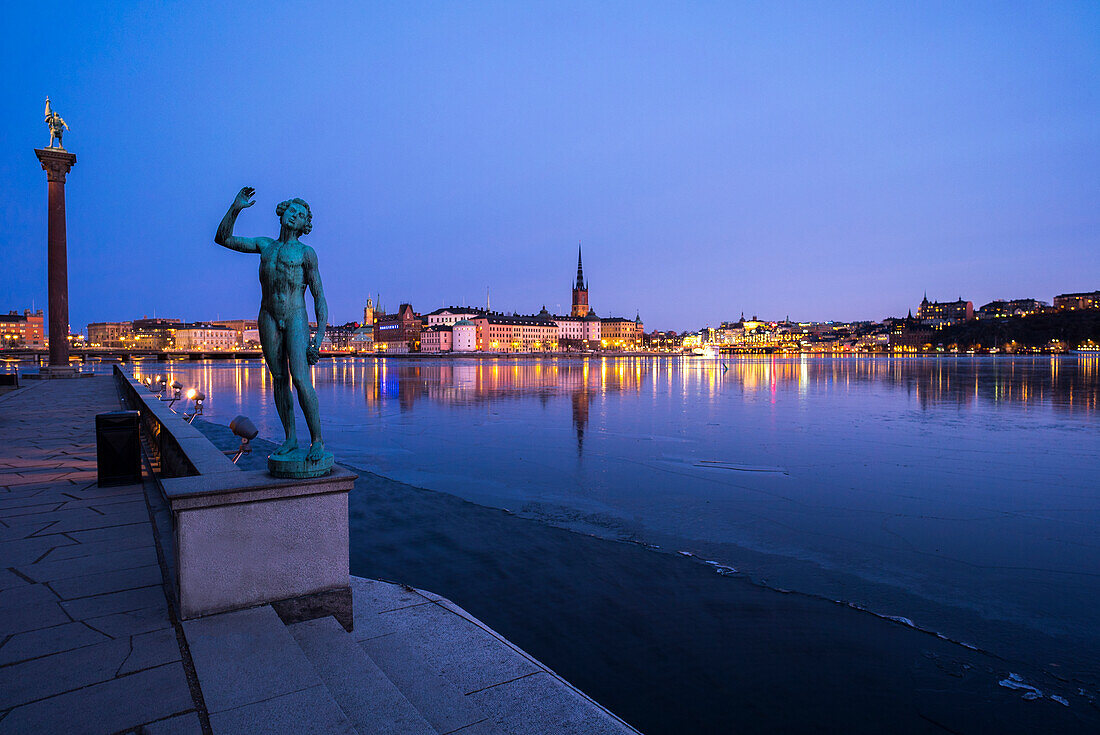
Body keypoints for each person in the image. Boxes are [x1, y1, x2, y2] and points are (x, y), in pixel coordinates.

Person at [215, 186, 328, 462]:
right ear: (281, 213)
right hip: (267, 316)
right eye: (291, 210)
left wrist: (319, 338)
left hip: (295, 316)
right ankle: (290, 438)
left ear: (304, 225)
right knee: (279, 379)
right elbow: (223, 238)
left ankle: (317, 441)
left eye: (300, 214)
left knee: (301, 380)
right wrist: (236, 207)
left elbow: (319, 298)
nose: (293, 215)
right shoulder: (265, 246)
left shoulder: (306, 253)